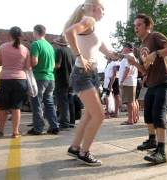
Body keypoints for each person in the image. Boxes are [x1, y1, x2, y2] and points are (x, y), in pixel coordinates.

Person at [64, 0, 117, 166]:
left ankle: (75, 147)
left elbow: (106, 51)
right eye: (103, 10)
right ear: (96, 8)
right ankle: (84, 152)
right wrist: (79, 56)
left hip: (91, 75)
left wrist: (122, 56)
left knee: (89, 114)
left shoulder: (93, 26)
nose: (104, 14)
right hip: (82, 75)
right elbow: (69, 32)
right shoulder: (89, 20)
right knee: (99, 116)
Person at [126, 14, 167, 164]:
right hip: (152, 83)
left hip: (164, 81)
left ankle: (161, 152)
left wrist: (156, 53)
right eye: (135, 25)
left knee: (158, 114)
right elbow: (144, 70)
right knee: (148, 114)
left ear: (148, 26)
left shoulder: (155, 36)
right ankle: (152, 141)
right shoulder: (141, 46)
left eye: (139, 25)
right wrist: (134, 63)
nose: (136, 28)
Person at [0, 26, 30, 138]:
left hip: (4, 79)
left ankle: (0, 130)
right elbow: (28, 67)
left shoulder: (3, 47)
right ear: (21, 36)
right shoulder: (25, 49)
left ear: (10, 35)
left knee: (3, 107)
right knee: (16, 108)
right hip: (20, 80)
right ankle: (15, 132)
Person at [27, 25, 59, 135]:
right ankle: (54, 125)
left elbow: (34, 62)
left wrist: (27, 64)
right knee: (49, 102)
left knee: (36, 102)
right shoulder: (50, 46)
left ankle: (38, 128)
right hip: (51, 78)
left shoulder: (36, 44)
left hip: (39, 78)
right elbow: (54, 64)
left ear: (35, 32)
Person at [53, 35, 76, 130]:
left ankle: (64, 123)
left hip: (62, 79)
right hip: (72, 80)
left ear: (59, 43)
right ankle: (72, 122)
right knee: (70, 101)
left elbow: (57, 65)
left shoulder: (59, 51)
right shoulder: (72, 52)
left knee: (63, 102)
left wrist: (51, 67)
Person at [118, 43, 138, 125]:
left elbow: (127, 69)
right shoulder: (130, 56)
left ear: (130, 49)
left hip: (128, 81)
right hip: (130, 81)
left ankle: (130, 120)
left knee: (129, 102)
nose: (122, 48)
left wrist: (122, 81)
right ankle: (134, 118)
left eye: (124, 47)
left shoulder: (128, 56)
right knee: (132, 101)